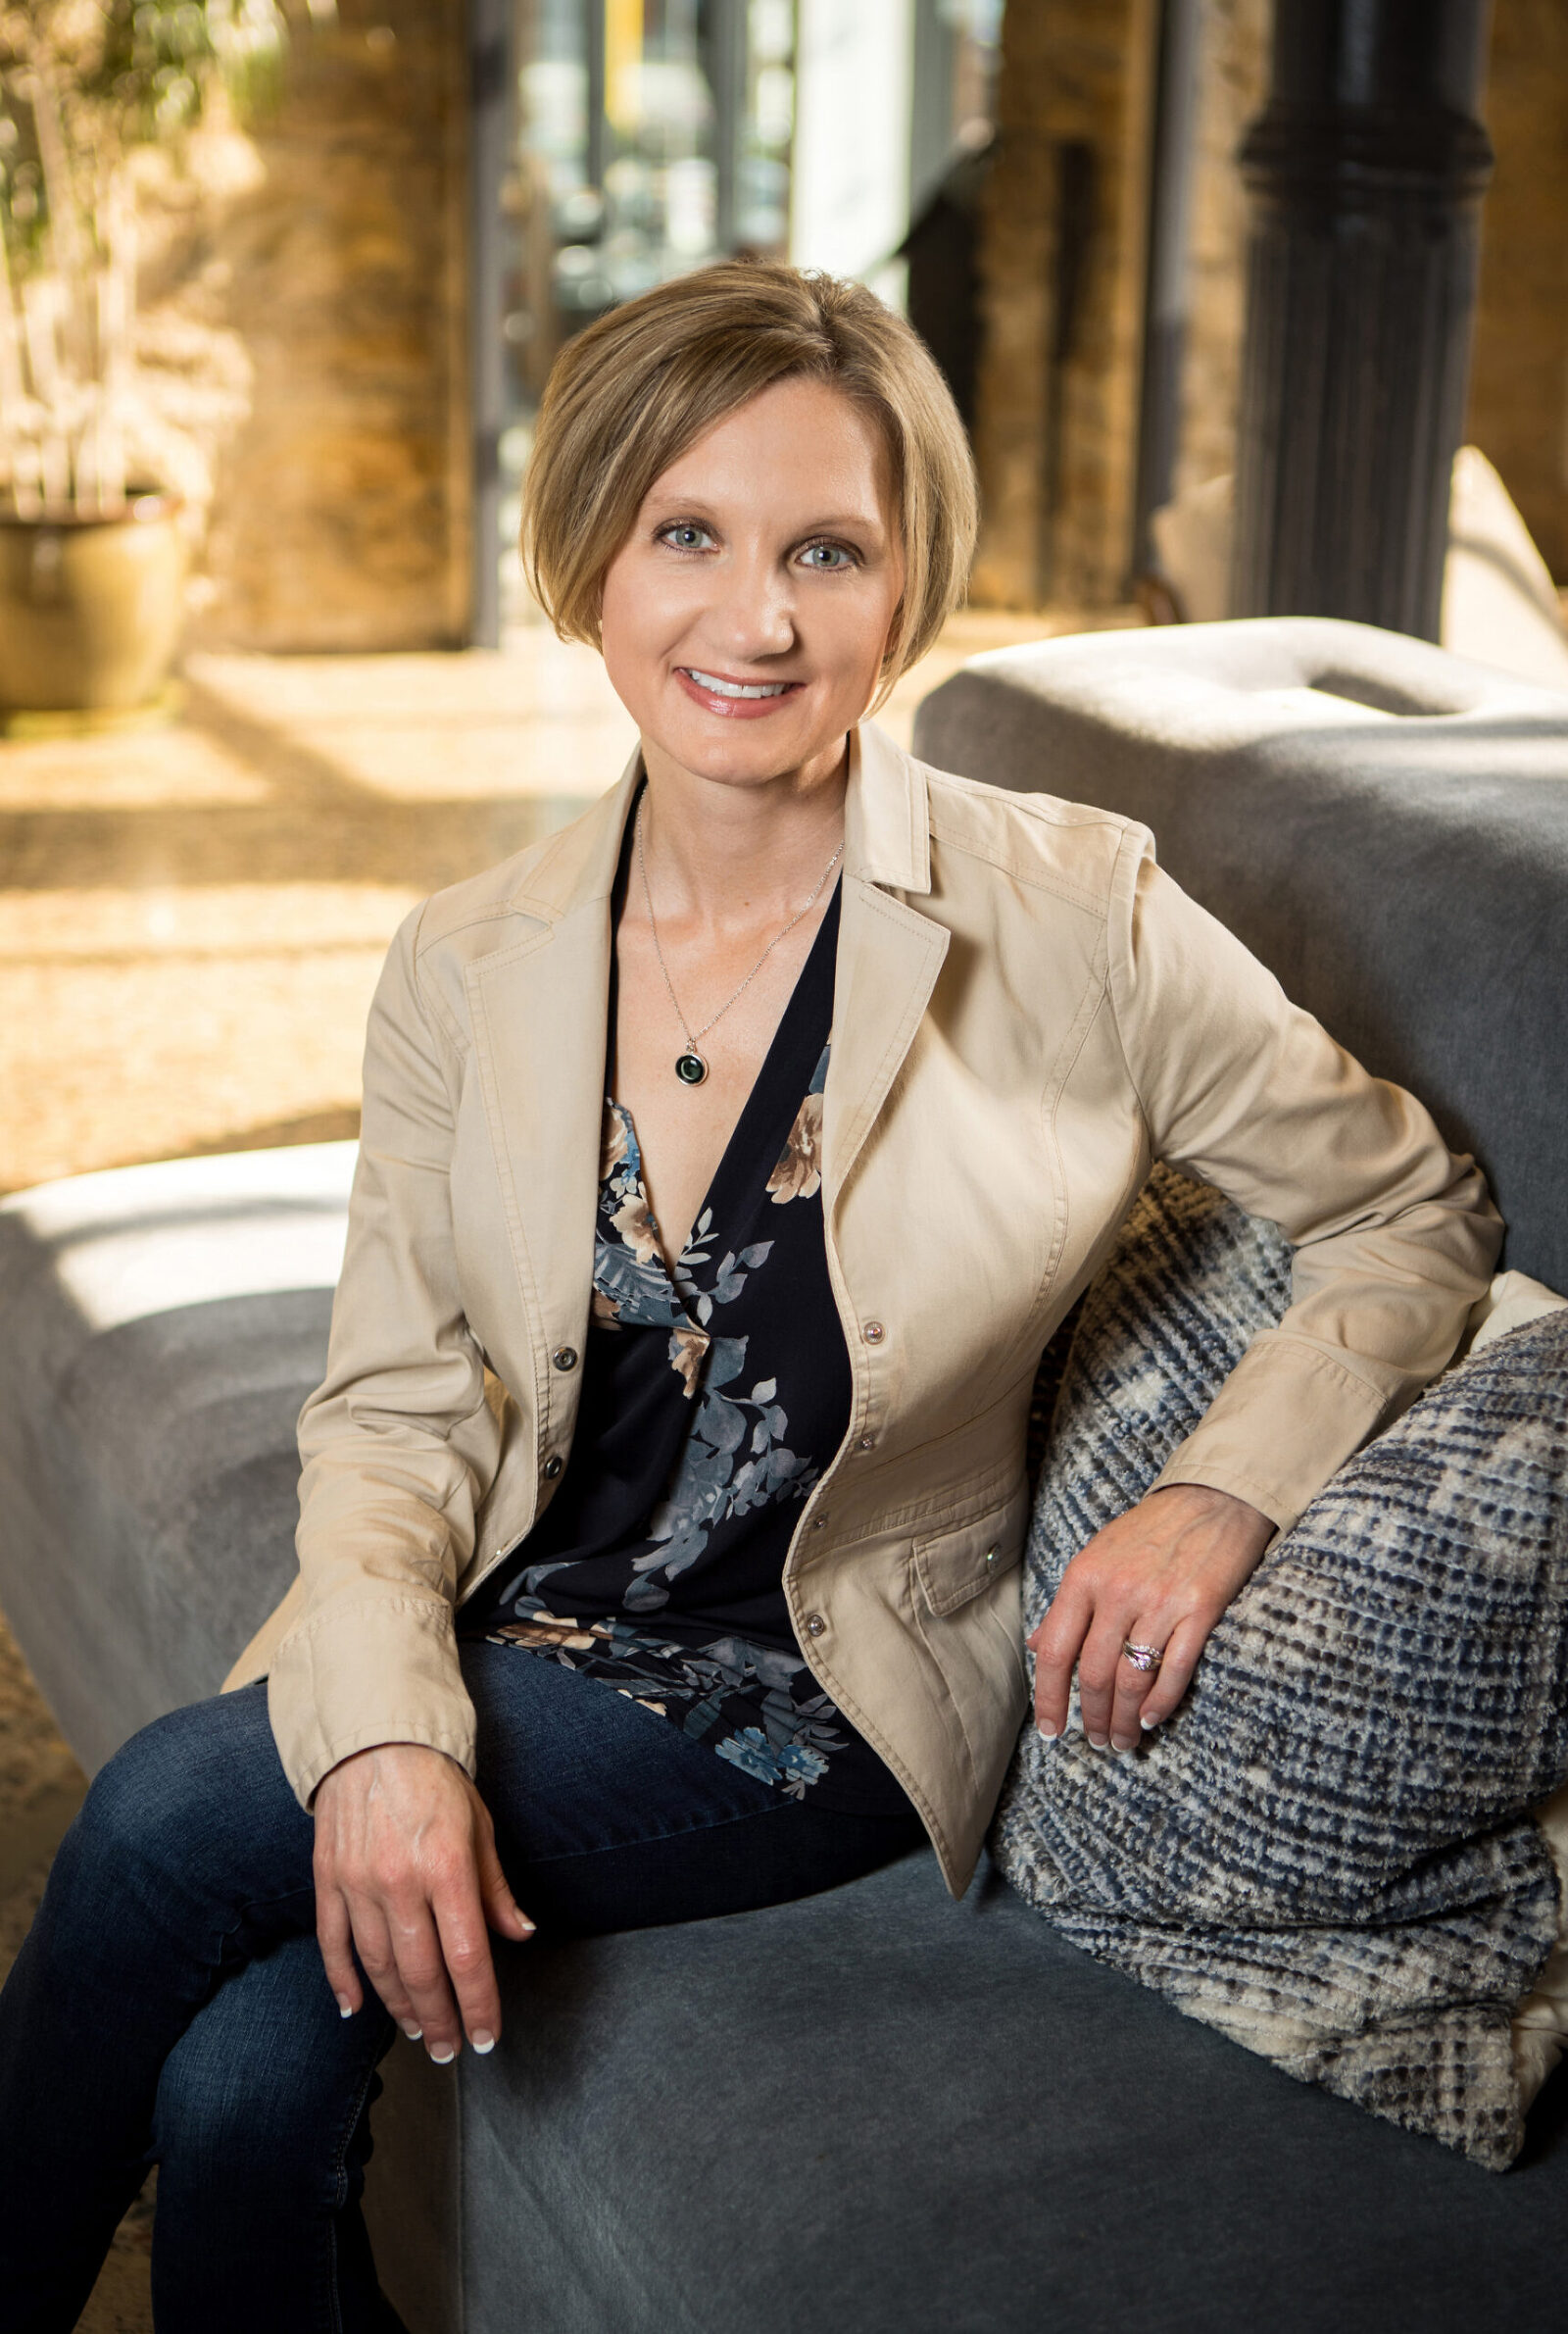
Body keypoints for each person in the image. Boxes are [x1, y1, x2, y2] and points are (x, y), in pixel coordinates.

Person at [0, 261, 1500, 2329]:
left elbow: (1405, 1211)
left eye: (827, 550)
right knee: (246, 2077)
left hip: (808, 1695)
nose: (756, 617)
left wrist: (1218, 1487)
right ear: (587, 560)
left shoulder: (1071, 917)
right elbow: (397, 1409)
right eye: (684, 534)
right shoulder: (467, 956)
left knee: (168, 1823)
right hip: (507, 1611)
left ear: (903, 591)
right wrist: (383, 1738)